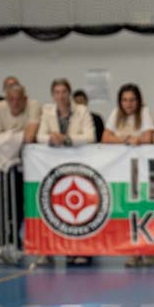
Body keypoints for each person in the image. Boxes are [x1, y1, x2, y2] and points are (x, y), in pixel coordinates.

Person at [37, 79, 98, 267]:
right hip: (55, 170)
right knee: (58, 211)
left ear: (69, 93)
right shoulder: (47, 112)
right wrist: (52, 138)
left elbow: (90, 136)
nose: (61, 96)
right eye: (57, 92)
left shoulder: (81, 111)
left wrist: (68, 139)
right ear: (52, 95)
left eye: (64, 92)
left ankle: (82, 250)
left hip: (80, 167)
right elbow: (39, 136)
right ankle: (52, 250)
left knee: (82, 211)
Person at [103, 84, 154, 267]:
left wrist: (136, 139)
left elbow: (147, 137)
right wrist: (125, 139)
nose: (128, 104)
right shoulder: (116, 114)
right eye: (124, 100)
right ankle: (133, 251)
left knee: (144, 210)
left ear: (138, 101)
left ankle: (148, 250)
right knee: (128, 212)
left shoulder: (144, 112)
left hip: (143, 173)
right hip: (123, 174)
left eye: (132, 100)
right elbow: (105, 137)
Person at [0, 83, 41, 263]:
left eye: (19, 99)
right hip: (8, 167)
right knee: (11, 205)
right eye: (11, 99)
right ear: (6, 99)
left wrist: (8, 137)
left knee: (34, 204)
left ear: (25, 99)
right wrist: (15, 138)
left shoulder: (33, 105)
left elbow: (29, 137)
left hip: (32, 167)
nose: (15, 103)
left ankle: (39, 245)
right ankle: (11, 241)